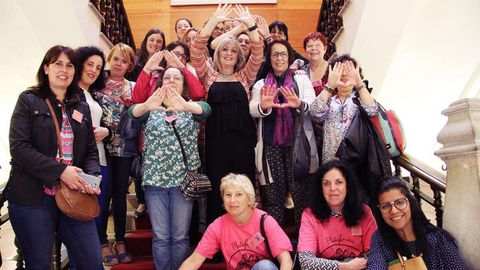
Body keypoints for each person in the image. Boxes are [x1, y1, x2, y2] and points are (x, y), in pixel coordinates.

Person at [7, 45, 102, 269]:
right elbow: (19, 148)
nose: (64, 69)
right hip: (34, 199)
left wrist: (93, 177)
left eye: (70, 65)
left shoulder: (81, 106)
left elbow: (89, 149)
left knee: (92, 262)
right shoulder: (29, 100)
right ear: (46, 68)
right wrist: (60, 171)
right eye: (58, 63)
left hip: (74, 195)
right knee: (39, 264)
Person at [129, 66, 211, 270]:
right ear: (160, 82)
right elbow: (133, 113)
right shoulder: (150, 109)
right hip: (154, 183)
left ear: (184, 84)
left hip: (183, 183)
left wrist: (185, 106)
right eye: (167, 77)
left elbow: (206, 110)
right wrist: (148, 105)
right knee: (161, 237)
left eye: (177, 78)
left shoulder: (190, 107)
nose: (172, 81)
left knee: (180, 236)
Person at [190, 3, 264, 225]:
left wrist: (250, 24)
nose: (229, 54)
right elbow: (196, 50)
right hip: (215, 143)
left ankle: (247, 234)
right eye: (224, 50)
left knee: (244, 187)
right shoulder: (207, 75)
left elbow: (258, 52)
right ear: (218, 54)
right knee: (218, 190)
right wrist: (214, 20)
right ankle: (219, 240)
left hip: (243, 142)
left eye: (233, 50)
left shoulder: (245, 76)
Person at [250, 39, 318, 228]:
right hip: (270, 148)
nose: (279, 58)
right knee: (273, 198)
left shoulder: (301, 80)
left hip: (298, 147)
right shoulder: (261, 84)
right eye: (275, 54)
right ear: (269, 58)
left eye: (283, 54)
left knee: (302, 196)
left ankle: (306, 244)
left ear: (289, 57)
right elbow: (252, 109)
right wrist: (263, 106)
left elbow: (313, 105)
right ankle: (277, 246)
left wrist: (299, 104)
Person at [309, 54, 390, 199]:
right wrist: (329, 86)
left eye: (349, 69)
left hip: (357, 162)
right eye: (340, 69)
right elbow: (315, 112)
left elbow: (372, 110)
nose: (344, 73)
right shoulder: (329, 100)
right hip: (331, 162)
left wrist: (359, 83)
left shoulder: (360, 99)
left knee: (356, 201)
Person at [179, 174, 293, 270]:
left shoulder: (265, 221)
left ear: (249, 199)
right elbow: (193, 261)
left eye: (239, 194)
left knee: (265, 266)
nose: (232, 200)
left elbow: (286, 260)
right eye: (228, 195)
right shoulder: (218, 226)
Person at [95, 43, 137, 265]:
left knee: (120, 195)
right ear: (110, 59)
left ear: (130, 65)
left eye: (125, 60)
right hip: (101, 147)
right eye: (116, 59)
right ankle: (101, 241)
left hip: (124, 147)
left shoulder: (133, 86)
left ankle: (119, 240)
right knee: (104, 193)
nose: (119, 64)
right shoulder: (97, 82)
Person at [367, 177, 467, 269]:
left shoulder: (438, 239)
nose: (394, 211)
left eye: (400, 202)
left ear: (410, 203)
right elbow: (376, 266)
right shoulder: (380, 239)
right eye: (385, 206)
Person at [298, 160, 377, 270]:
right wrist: (344, 266)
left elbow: (375, 253)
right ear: (320, 189)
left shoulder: (364, 211)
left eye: (339, 182)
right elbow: (305, 261)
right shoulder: (309, 215)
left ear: (347, 186)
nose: (332, 188)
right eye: (326, 183)